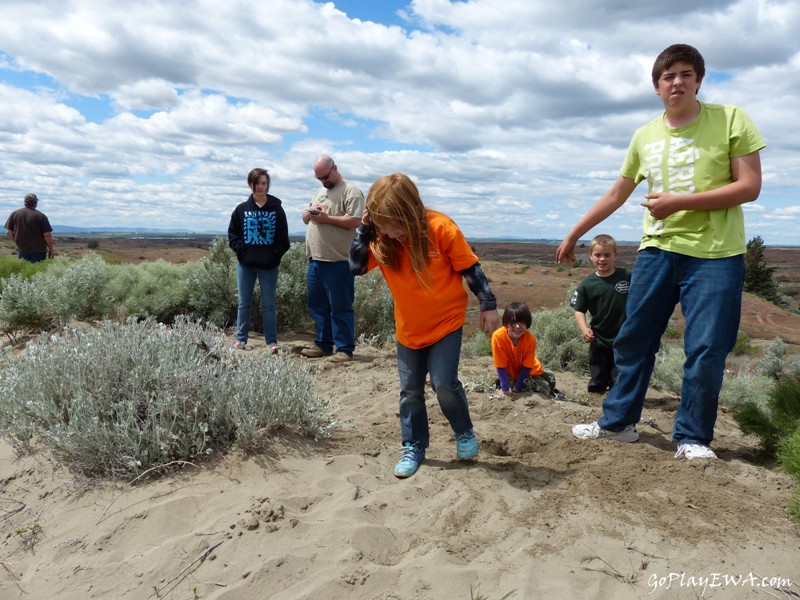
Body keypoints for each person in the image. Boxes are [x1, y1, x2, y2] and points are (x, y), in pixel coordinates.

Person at [556, 44, 765, 460]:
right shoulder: (644, 135)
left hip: (716, 255)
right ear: (656, 86)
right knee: (634, 339)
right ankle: (617, 423)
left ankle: (691, 437)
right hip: (657, 251)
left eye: (686, 74)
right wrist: (576, 231)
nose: (677, 82)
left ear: (699, 80)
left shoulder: (731, 120)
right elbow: (618, 192)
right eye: (668, 77)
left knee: (706, 346)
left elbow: (749, 186)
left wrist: (680, 202)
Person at [350, 173, 499, 478]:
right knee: (410, 391)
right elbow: (355, 267)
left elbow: (470, 268)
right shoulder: (382, 238)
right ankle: (413, 446)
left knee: (444, 383)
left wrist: (488, 304)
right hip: (409, 329)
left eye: (394, 224)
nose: (391, 232)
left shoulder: (440, 228)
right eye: (383, 224)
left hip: (446, 322)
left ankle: (464, 432)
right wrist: (365, 230)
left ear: (410, 210)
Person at [301, 155, 365, 363]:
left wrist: (327, 218)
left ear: (335, 168)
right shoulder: (321, 191)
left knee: (340, 306)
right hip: (316, 259)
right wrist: (310, 213)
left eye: (325, 177)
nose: (322, 182)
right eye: (319, 178)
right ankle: (323, 344)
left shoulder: (351, 191)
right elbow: (305, 218)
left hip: (338, 260)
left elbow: (356, 220)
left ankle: (344, 349)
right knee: (317, 304)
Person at [228, 168, 290, 353]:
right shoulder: (241, 210)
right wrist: (244, 254)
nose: (261, 187)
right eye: (258, 183)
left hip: (269, 267)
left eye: (264, 183)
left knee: (269, 304)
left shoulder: (277, 210)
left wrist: (273, 257)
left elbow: (283, 239)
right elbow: (233, 236)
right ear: (251, 184)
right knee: (244, 303)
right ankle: (241, 340)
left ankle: (271, 342)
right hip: (246, 266)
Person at [570, 234, 631, 393]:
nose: (602, 259)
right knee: (598, 377)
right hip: (598, 339)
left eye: (607, 255)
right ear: (590, 256)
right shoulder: (587, 284)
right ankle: (595, 404)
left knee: (618, 378)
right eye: (597, 255)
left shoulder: (627, 276)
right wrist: (584, 330)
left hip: (623, 338)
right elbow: (579, 310)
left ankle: (616, 404)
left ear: (615, 255)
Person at [491, 302, 560, 398]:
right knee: (504, 385)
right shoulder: (498, 337)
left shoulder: (530, 339)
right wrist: (505, 389)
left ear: (528, 323)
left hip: (530, 372)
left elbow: (527, 367)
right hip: (510, 374)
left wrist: (518, 387)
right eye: (513, 322)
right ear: (506, 323)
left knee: (548, 384)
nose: (517, 326)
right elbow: (500, 365)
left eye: (522, 322)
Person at [5, 193, 54, 263]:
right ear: (36, 203)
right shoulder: (41, 216)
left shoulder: (15, 214)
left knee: (23, 272)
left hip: (23, 249)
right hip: (38, 250)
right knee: (37, 272)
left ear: (25, 202)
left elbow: (8, 232)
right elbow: (47, 235)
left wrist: (18, 243)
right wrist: (51, 249)